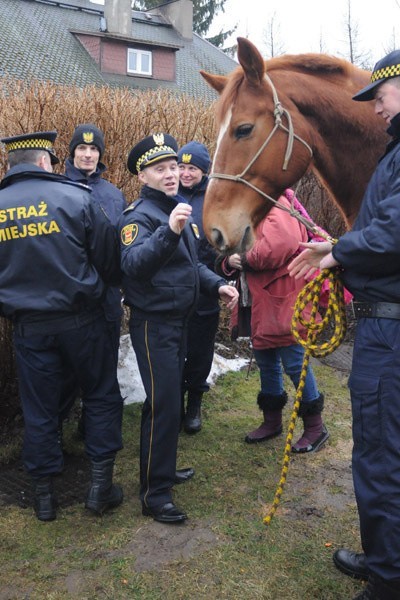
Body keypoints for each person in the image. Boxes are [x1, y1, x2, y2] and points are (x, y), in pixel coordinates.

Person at [288, 49, 400, 600]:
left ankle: (387, 579)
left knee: (381, 452)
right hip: (385, 326)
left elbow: (394, 234)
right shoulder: (393, 154)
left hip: (390, 333)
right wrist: (339, 247)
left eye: (380, 94)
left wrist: (338, 252)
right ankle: (386, 556)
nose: (376, 108)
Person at [0, 131, 124, 522]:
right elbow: (109, 260)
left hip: (29, 327)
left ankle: (43, 498)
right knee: (101, 395)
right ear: (43, 163)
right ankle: (100, 487)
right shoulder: (77, 198)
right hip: (82, 320)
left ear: (11, 166)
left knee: (40, 409)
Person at [119, 133, 238, 524]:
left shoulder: (176, 208)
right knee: (163, 406)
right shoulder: (139, 217)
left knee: (171, 404)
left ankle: (164, 472)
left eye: (173, 167)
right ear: (143, 175)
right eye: (160, 169)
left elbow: (191, 264)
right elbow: (134, 267)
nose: (171, 174)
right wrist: (168, 231)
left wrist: (215, 284)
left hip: (178, 319)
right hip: (154, 324)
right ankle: (155, 495)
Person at [216, 190, 328, 453]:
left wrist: (241, 258)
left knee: (294, 362)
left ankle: (315, 427)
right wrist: (227, 261)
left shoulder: (275, 202)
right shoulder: (251, 203)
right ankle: (272, 421)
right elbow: (230, 245)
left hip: (282, 297)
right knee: (266, 361)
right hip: (260, 300)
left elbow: (277, 246)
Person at [59, 124, 127, 430]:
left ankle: (92, 425)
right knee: (65, 370)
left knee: (104, 365)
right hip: (70, 299)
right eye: (82, 149)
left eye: (94, 149)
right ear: (72, 153)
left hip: (107, 298)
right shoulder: (57, 189)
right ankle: (57, 427)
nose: (88, 155)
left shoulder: (113, 194)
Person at [177, 141, 219, 433]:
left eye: (192, 168)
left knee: (201, 350)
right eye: (181, 167)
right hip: (177, 287)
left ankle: (194, 404)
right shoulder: (170, 194)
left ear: (204, 171)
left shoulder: (215, 197)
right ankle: (174, 401)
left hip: (206, 286)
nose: (185, 173)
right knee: (177, 346)